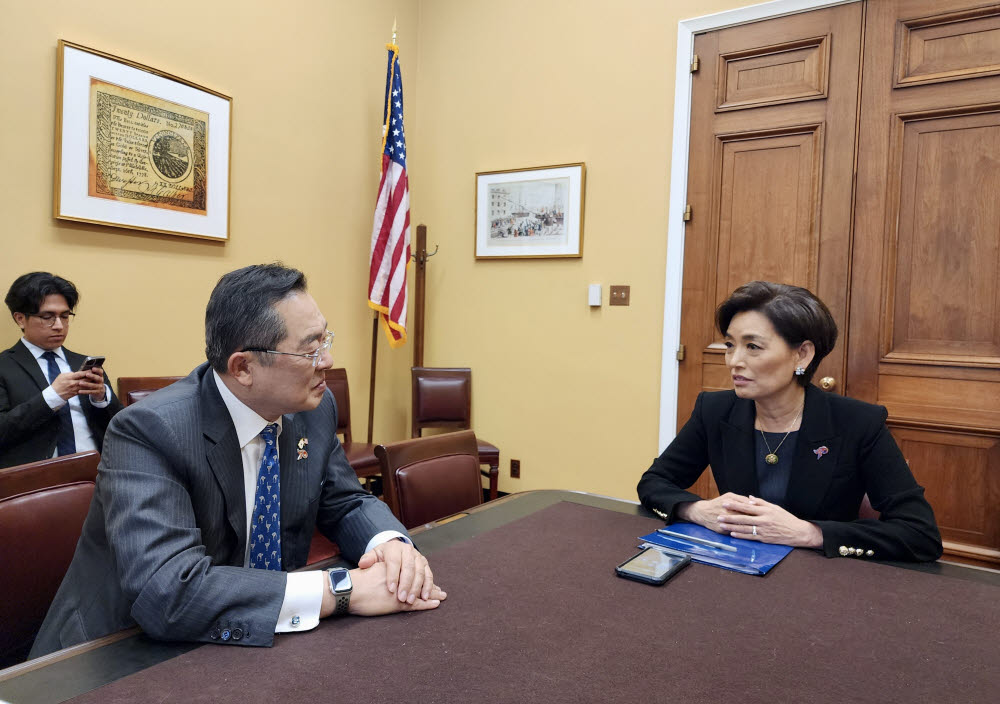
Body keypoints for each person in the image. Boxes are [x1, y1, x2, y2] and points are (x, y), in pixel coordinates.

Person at [31, 263, 445, 658]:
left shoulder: (312, 409)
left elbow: (346, 501)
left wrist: (390, 546)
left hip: (253, 640)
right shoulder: (147, 432)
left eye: (325, 339)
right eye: (309, 349)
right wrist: (342, 591)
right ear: (243, 367)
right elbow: (170, 591)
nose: (327, 361)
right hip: (120, 651)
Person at [637, 281, 942, 562]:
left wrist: (809, 533)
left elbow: (920, 534)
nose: (733, 361)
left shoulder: (858, 423)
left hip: (820, 582)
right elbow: (654, 482)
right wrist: (697, 510)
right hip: (735, 570)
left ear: (802, 355)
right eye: (730, 345)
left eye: (752, 347)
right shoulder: (715, 410)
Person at [0, 272, 122, 469]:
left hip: (97, 472)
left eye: (65, 317)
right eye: (47, 317)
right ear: (20, 319)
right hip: (36, 480)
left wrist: (101, 398)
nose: (59, 326)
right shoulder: (4, 366)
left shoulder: (83, 363)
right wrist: (52, 397)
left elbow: (119, 426)